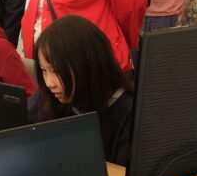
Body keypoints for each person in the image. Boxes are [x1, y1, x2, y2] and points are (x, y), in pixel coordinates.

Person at [30, 16, 134, 166]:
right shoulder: (48, 96)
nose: (49, 83)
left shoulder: (129, 113)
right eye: (43, 70)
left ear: (88, 65)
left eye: (57, 71)